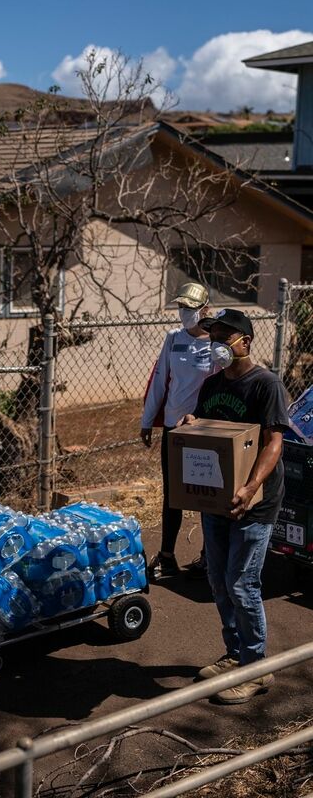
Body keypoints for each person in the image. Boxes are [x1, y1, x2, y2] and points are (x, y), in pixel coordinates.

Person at [181, 308, 289, 704]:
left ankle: (256, 667)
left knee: (242, 584)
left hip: (254, 503)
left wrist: (250, 487)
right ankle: (234, 652)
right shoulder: (210, 386)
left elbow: (274, 442)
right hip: (217, 500)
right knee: (218, 581)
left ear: (245, 341)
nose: (217, 344)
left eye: (225, 336)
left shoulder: (266, 385)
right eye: (213, 336)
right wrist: (194, 422)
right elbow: (210, 433)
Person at [141, 282, 216, 581]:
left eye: (191, 308)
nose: (184, 313)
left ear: (205, 310)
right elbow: (160, 379)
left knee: (207, 494)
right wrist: (147, 420)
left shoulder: (217, 343)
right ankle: (167, 556)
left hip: (203, 429)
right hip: (174, 427)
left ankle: (209, 555)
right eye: (182, 307)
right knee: (173, 493)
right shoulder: (173, 339)